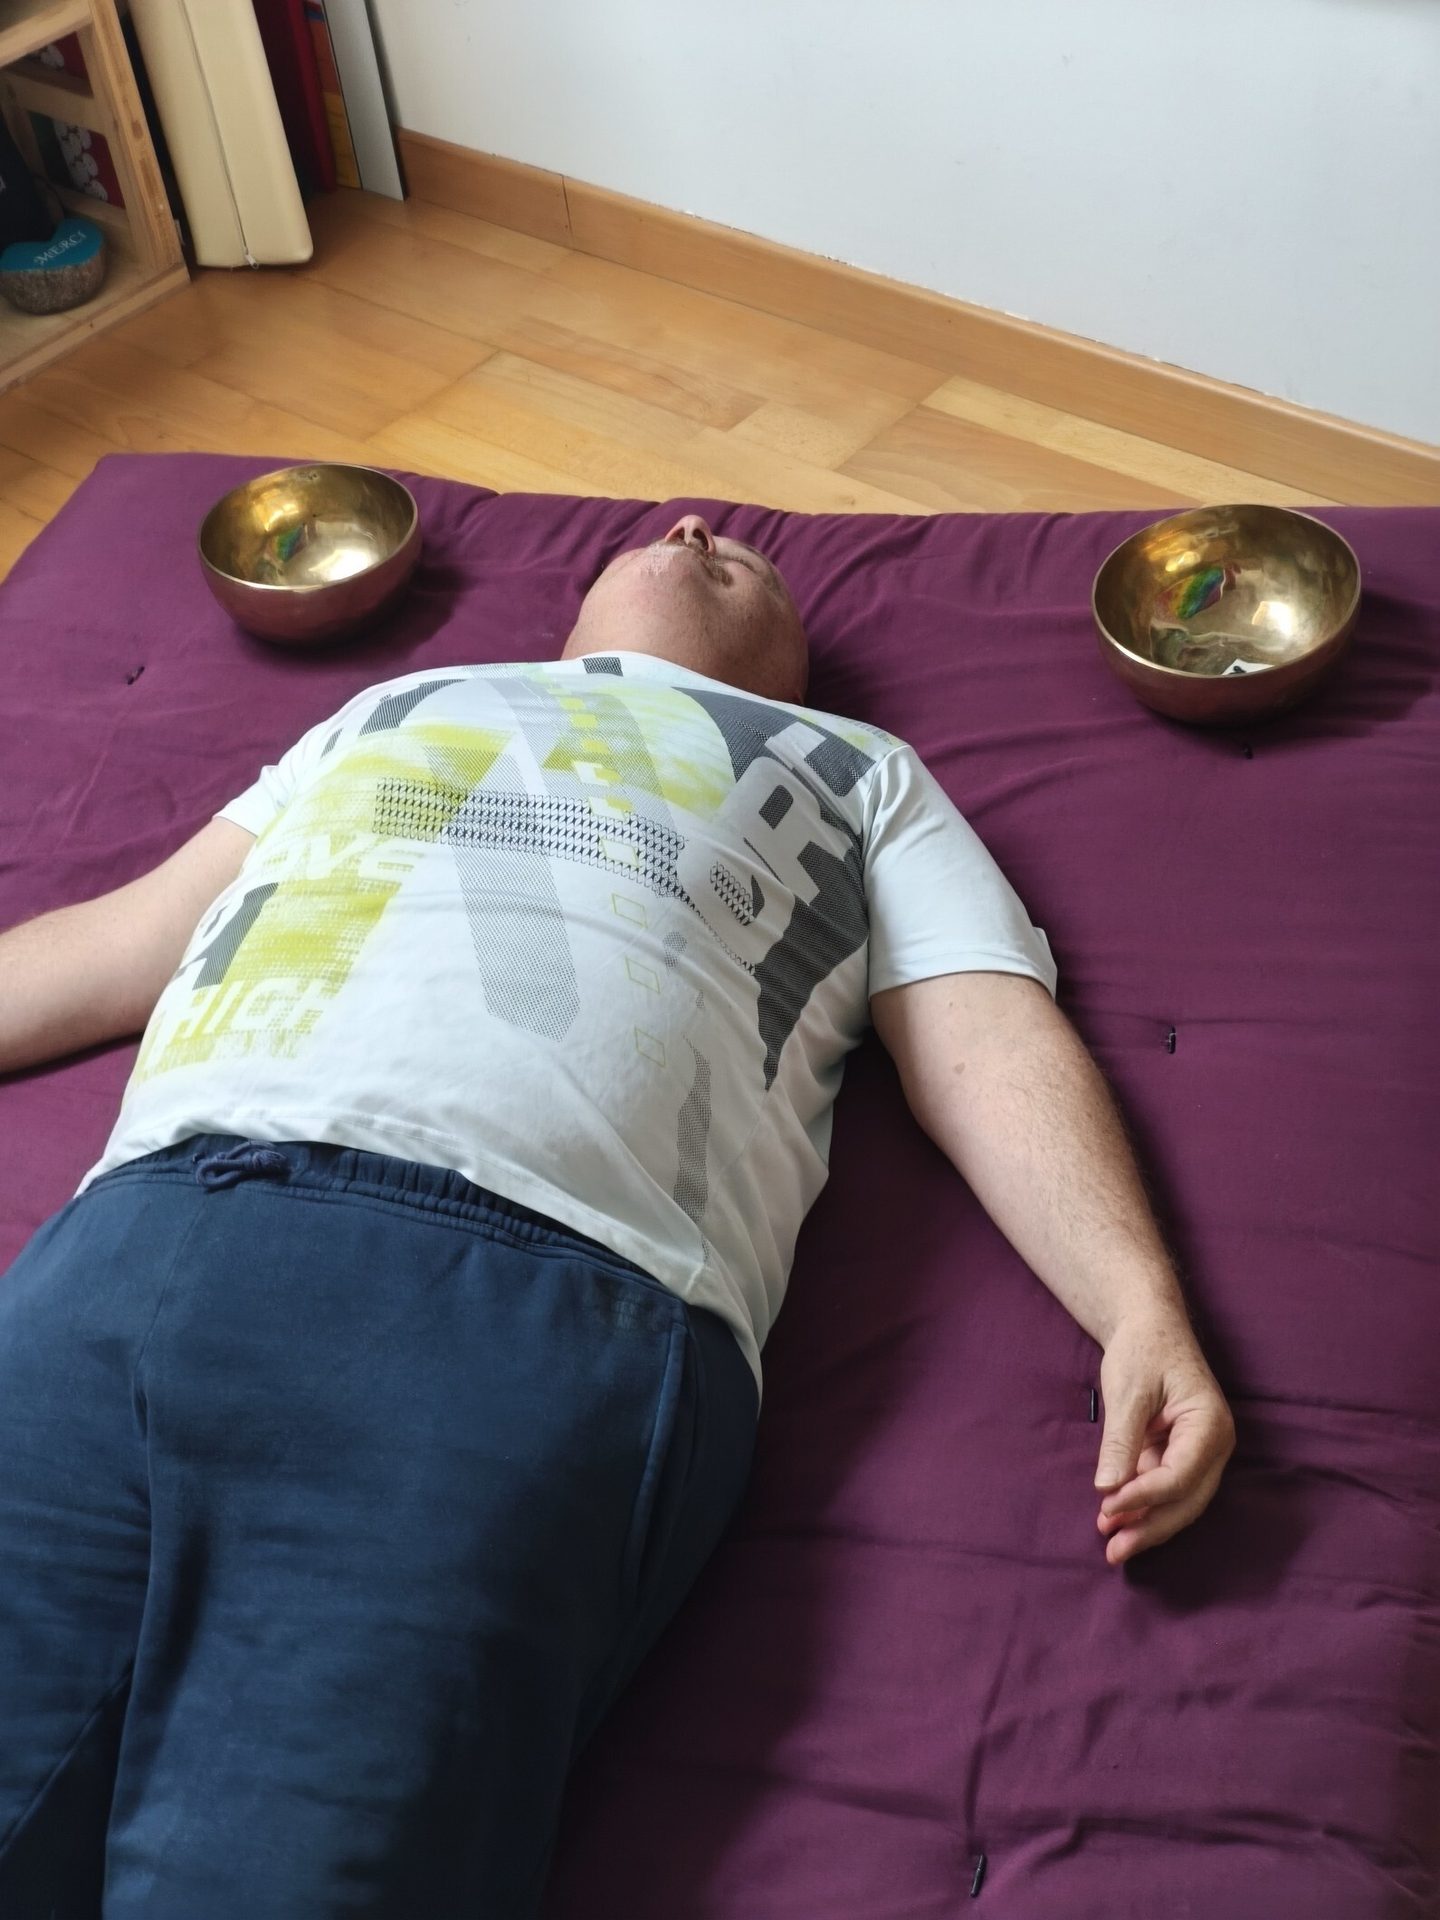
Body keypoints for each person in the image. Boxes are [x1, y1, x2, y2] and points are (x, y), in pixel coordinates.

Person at [0, 513, 1235, 1918]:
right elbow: (129, 936)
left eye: (754, 564)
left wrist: (1141, 1308)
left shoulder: (855, 770)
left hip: (519, 1300)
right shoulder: (402, 702)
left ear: (796, 671)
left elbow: (984, 1041)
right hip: (136, 1241)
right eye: (676, 525)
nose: (702, 524)